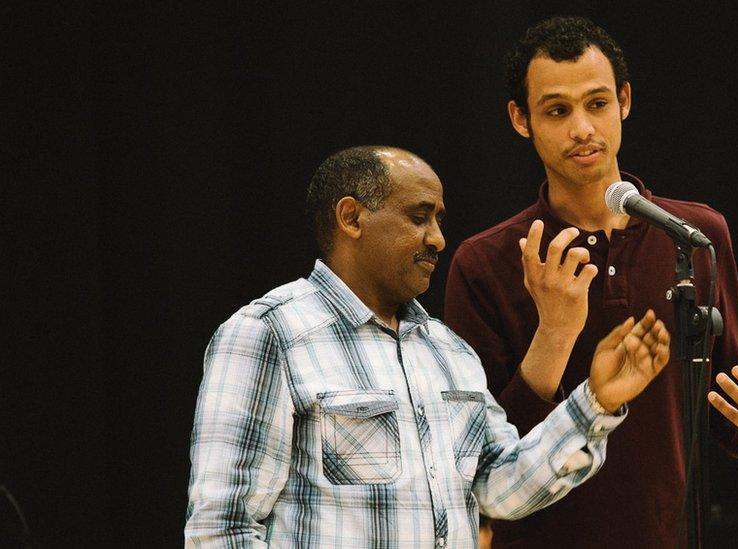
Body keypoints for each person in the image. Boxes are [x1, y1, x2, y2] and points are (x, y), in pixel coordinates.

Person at [444, 17, 738, 548]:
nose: (582, 128)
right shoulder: (487, 261)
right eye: (557, 110)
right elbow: (480, 458)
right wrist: (554, 331)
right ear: (520, 119)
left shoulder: (694, 236)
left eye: (596, 104)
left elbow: (725, 411)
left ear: (624, 100)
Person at [184, 145, 672, 548]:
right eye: (419, 218)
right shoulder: (268, 334)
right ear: (351, 218)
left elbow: (500, 490)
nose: (438, 239)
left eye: (439, 219)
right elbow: (222, 529)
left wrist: (597, 402)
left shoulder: (449, 353)